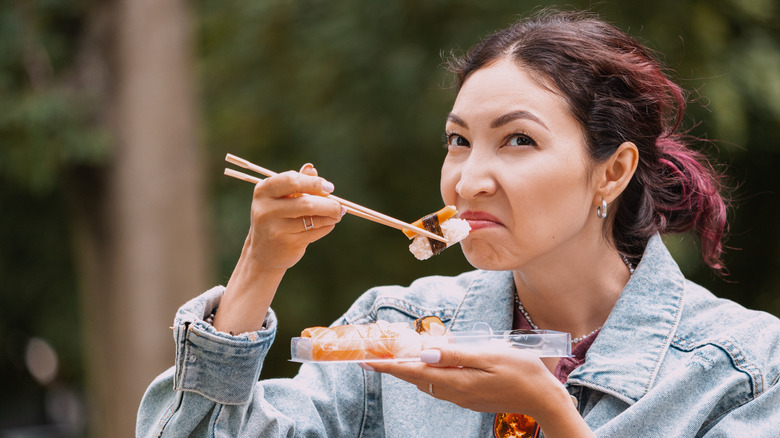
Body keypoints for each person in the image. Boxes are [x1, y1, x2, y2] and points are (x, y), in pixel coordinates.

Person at [137, 9, 780, 437]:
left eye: (519, 141)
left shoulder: (742, 369)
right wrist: (259, 267)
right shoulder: (394, 334)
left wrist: (550, 413)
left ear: (611, 172)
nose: (468, 179)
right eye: (458, 141)